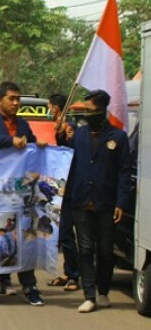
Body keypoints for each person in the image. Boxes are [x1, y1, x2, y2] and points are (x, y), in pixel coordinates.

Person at [0, 81, 47, 306]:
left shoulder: (23, 124)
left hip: (19, 194)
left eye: (18, 99)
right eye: (11, 99)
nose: (15, 103)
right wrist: (9, 141)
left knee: (25, 239)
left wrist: (38, 146)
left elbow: (30, 149)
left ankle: (30, 287)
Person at [65, 90, 131, 313]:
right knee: (85, 249)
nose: (87, 114)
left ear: (102, 111)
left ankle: (103, 291)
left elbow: (124, 172)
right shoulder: (79, 135)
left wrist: (121, 202)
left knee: (105, 251)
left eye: (90, 110)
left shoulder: (118, 137)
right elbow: (67, 162)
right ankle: (89, 295)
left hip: (106, 203)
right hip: (81, 201)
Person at [46, 93, 80, 292]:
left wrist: (63, 135)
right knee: (62, 234)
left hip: (72, 190)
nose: (50, 111)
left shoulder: (71, 128)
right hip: (61, 190)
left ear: (56, 108)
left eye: (50, 107)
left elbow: (70, 153)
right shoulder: (59, 127)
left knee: (68, 234)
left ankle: (74, 275)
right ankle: (68, 272)